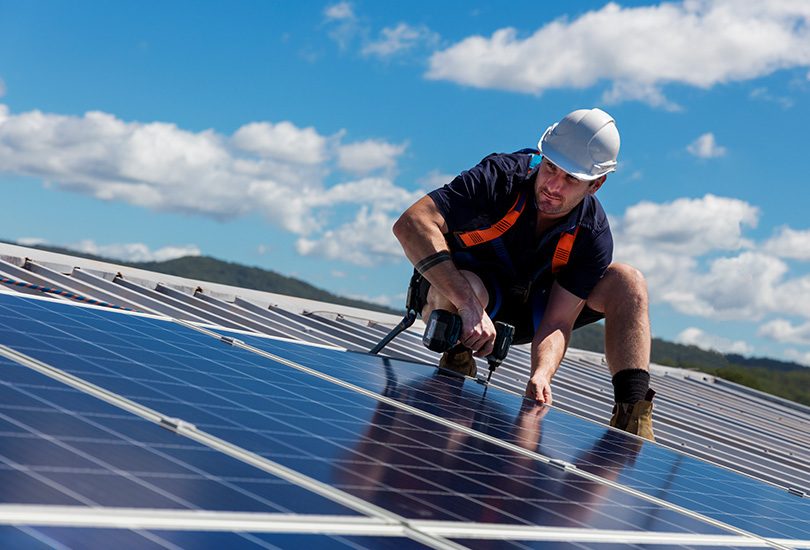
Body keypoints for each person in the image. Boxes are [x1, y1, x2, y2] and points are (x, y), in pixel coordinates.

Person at [392, 108, 656, 440]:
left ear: (596, 184)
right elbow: (411, 223)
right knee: (471, 288)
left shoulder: (592, 234)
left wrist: (542, 374)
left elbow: (559, 321)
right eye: (550, 169)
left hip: (531, 313)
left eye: (571, 179)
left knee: (628, 281)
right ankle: (458, 354)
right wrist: (468, 306)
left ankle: (632, 419)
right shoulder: (499, 177)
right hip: (464, 300)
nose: (553, 186)